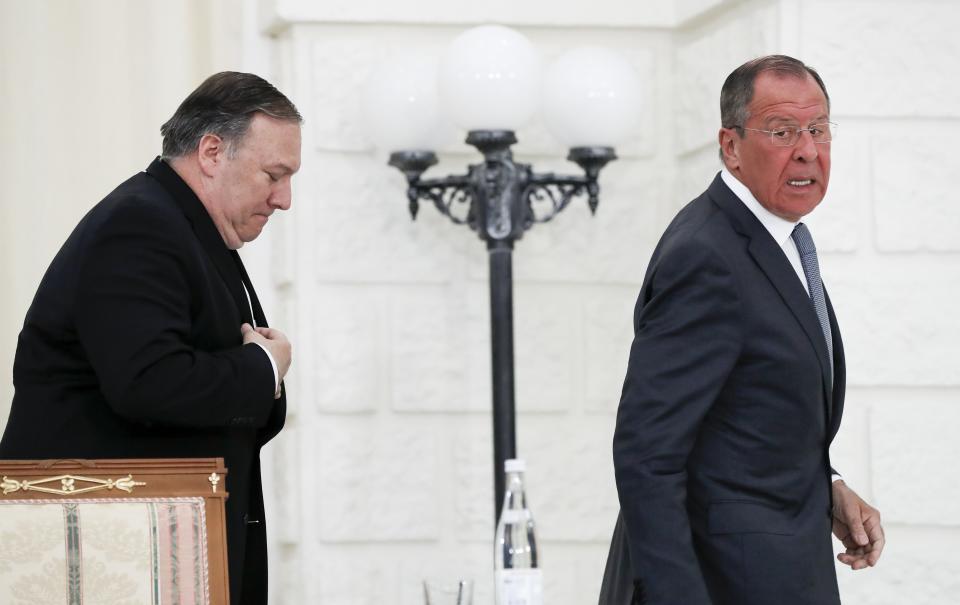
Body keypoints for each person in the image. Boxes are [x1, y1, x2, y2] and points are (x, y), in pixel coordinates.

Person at [0, 71, 301, 605]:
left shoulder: (184, 226)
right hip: (100, 553)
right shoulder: (140, 225)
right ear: (212, 151)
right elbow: (150, 382)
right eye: (273, 175)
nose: (284, 199)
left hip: (151, 552)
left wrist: (262, 374)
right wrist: (263, 367)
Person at [598, 55, 884, 605]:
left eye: (818, 129)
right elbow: (646, 455)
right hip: (722, 583)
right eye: (782, 131)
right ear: (731, 147)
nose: (807, 149)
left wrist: (828, 487)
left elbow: (746, 418)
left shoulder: (779, 238)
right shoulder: (707, 255)